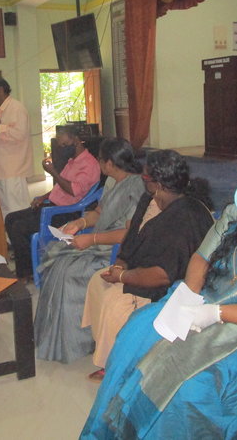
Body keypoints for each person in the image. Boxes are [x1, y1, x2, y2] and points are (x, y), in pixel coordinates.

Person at [81, 141, 237, 439]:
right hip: (206, 303)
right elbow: (201, 257)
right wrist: (189, 301)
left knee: (187, 381)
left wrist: (216, 313)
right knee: (138, 331)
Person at [81, 149, 214, 381]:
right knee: (97, 281)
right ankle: (106, 342)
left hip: (168, 286)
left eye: (145, 179)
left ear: (159, 184)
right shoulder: (149, 200)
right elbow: (131, 237)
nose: (142, 182)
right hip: (139, 269)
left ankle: (118, 363)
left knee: (115, 300)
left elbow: (162, 275)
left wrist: (122, 277)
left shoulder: (185, 217)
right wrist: (120, 265)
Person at [34, 138, 145, 363]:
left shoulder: (136, 187)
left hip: (117, 250)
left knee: (69, 273)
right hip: (100, 241)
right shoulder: (112, 181)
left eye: (101, 160)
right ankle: (53, 337)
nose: (99, 163)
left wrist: (92, 239)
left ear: (110, 163)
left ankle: (77, 342)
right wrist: (80, 224)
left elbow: (130, 233)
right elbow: (99, 213)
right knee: (56, 259)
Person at [4, 125, 101, 279]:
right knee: (10, 218)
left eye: (64, 144)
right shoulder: (72, 161)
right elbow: (60, 187)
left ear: (76, 140)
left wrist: (53, 172)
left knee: (19, 227)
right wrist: (43, 197)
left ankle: (27, 272)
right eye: (60, 145)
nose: (62, 149)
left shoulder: (89, 164)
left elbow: (73, 190)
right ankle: (27, 260)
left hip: (66, 212)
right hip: (52, 205)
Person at [0, 76, 33, 219]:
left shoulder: (16, 108)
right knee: (5, 210)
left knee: (17, 210)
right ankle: (9, 232)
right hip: (0, 169)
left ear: (0, 90)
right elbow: (3, 136)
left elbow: (20, 133)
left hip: (12, 170)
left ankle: (21, 233)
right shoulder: (2, 109)